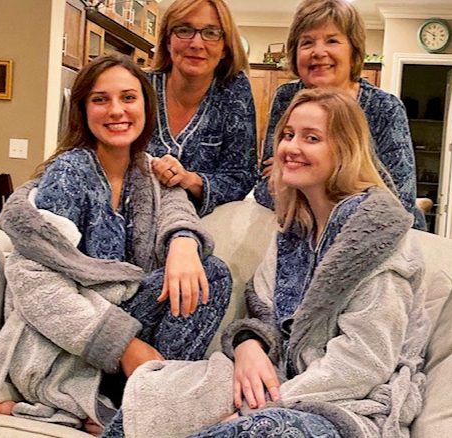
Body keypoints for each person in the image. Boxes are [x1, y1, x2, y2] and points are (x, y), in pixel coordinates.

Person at [102, 88, 429, 437]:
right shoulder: (293, 230)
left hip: (345, 405)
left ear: (344, 150)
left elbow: (364, 364)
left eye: (311, 138)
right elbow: (261, 314)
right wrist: (248, 344)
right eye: (287, 135)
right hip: (277, 378)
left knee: (261, 429)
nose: (291, 147)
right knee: (164, 393)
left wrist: (259, 407)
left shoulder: (377, 236)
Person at [0, 54, 231, 435]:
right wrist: (122, 344)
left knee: (212, 275)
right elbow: (34, 281)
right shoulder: (69, 174)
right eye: (100, 99)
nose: (116, 111)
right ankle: (139, 415)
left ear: (146, 106)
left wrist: (182, 242)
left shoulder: (147, 172)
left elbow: (176, 206)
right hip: (68, 347)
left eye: (128, 97)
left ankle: (139, 405)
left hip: (125, 337)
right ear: (82, 109)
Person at [254, 0, 426, 230]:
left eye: (332, 41)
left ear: (353, 52)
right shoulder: (286, 98)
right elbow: (268, 185)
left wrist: (309, 181)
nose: (318, 52)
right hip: (306, 228)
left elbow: (399, 200)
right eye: (307, 42)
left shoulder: (384, 107)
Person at [147, 0, 257, 217]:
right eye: (184, 30)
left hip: (204, 225)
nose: (197, 43)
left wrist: (189, 180)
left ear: (225, 47)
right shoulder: (140, 88)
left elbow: (241, 178)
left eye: (211, 33)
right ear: (168, 41)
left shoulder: (234, 91)